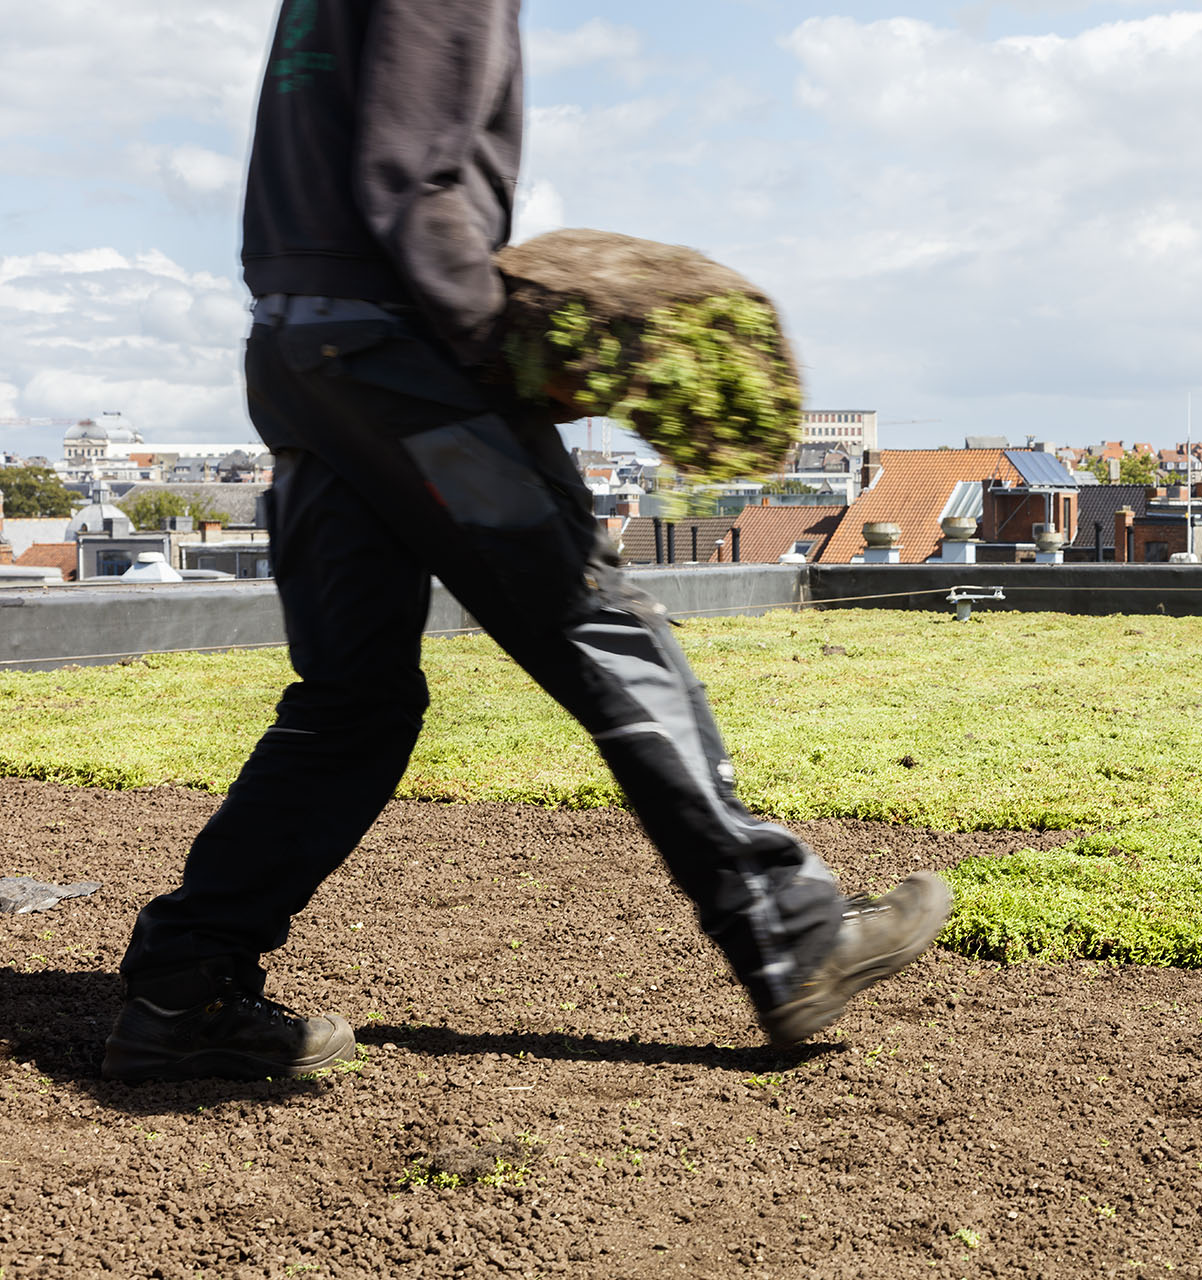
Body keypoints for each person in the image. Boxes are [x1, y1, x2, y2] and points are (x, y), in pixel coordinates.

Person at [102, 0, 949, 1082]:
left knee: (352, 702)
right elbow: (412, 180)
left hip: (300, 356)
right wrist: (501, 346)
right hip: (406, 363)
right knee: (598, 624)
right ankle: (791, 930)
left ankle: (185, 983)